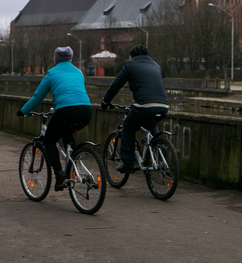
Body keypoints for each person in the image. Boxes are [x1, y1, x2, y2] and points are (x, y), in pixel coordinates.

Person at [16, 47, 92, 191]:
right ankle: (70, 167)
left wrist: (23, 111)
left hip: (65, 111)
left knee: (49, 141)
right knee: (66, 131)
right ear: (70, 58)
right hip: (86, 111)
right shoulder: (78, 72)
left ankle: (59, 173)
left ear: (55, 59)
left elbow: (37, 97)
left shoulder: (51, 73)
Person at [101, 44, 168, 173]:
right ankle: (161, 149)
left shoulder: (130, 64)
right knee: (151, 123)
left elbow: (116, 85)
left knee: (128, 128)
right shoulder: (155, 65)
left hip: (144, 106)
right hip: (163, 106)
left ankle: (128, 163)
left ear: (131, 56)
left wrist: (105, 102)